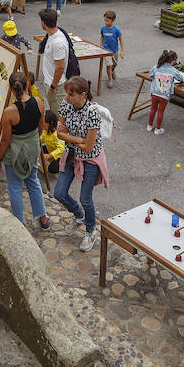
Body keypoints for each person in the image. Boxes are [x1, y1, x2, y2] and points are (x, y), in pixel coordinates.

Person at [54, 76, 107, 253]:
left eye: (71, 94)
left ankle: (90, 230)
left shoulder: (92, 111)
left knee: (85, 198)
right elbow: (59, 133)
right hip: (71, 154)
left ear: (83, 95)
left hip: (90, 159)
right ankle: (78, 215)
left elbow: (89, 147)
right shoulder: (66, 104)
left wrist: (68, 136)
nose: (67, 97)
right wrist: (78, 139)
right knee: (59, 193)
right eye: (67, 93)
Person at [0, 72, 50, 229]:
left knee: (14, 186)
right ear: (28, 85)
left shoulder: (9, 112)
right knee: (33, 181)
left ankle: (19, 222)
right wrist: (34, 141)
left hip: (15, 152)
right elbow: (40, 126)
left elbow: (5, 140)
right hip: (32, 148)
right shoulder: (38, 102)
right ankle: (43, 217)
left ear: (12, 90)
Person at [147, 49, 184, 135]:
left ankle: (149, 126)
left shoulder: (156, 67)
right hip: (165, 95)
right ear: (172, 61)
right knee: (160, 112)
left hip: (154, 92)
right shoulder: (173, 71)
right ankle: (158, 129)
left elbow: (150, 74)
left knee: (153, 109)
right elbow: (182, 78)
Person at [39, 8, 69, 115]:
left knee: (58, 117)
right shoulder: (52, 35)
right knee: (53, 110)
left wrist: (53, 86)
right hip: (51, 82)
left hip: (56, 86)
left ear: (43, 23)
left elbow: (60, 67)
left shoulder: (57, 42)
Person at [40, 109, 66, 179]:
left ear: (51, 123)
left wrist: (49, 155)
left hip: (61, 156)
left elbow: (61, 149)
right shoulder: (46, 130)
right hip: (51, 148)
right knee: (39, 149)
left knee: (51, 169)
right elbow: (42, 138)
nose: (42, 126)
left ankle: (63, 166)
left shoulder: (57, 134)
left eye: (44, 124)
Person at [100, 10, 124, 87]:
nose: (105, 22)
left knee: (114, 64)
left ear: (113, 20)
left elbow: (121, 39)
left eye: (107, 21)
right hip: (106, 50)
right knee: (109, 65)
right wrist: (101, 45)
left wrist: (122, 51)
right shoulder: (103, 28)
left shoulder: (116, 29)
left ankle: (112, 70)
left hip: (115, 50)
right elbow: (102, 36)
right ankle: (110, 79)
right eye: (105, 20)